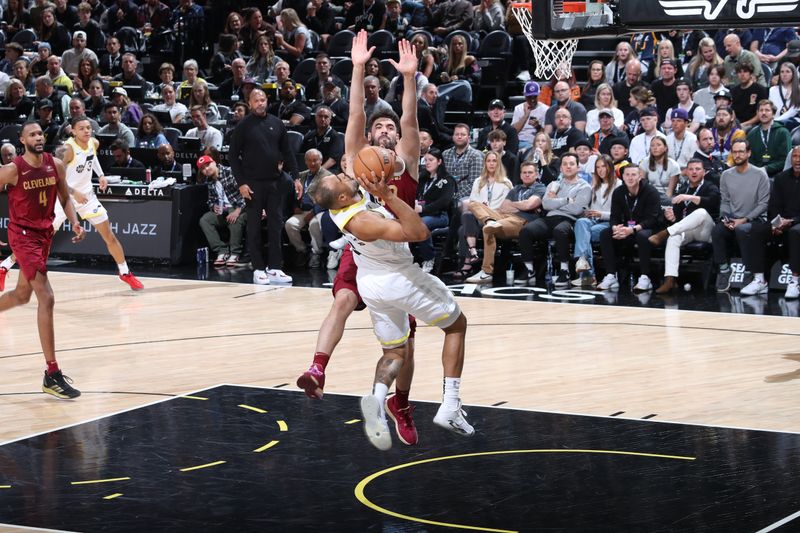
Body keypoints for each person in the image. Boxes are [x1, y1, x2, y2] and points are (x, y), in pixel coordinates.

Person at [296, 32, 428, 448]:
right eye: (380, 127)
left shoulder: (406, 163)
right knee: (342, 299)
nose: (387, 130)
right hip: (363, 253)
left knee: (404, 345)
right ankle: (317, 368)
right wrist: (355, 68)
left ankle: (400, 403)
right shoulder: (359, 159)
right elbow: (354, 116)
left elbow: (410, 119)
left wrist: (409, 79)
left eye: (391, 127)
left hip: (400, 260)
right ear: (372, 138)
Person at [0, 122, 85, 398]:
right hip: (22, 235)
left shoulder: (55, 165)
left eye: (40, 133)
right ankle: (52, 373)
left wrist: (74, 221)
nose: (38, 137)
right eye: (32, 134)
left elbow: (65, 198)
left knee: (22, 295)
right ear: (22, 140)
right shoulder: (13, 169)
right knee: (46, 297)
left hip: (43, 234)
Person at [230, 87, 300, 285]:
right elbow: (233, 157)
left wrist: (295, 177)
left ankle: (275, 268)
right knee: (253, 227)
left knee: (276, 225)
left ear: (266, 102)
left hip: (274, 183)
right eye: (256, 100)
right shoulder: (243, 126)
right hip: (252, 185)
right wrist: (241, 183)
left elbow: (287, 152)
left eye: (263, 100)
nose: (260, 103)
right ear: (250, 103)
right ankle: (258, 268)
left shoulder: (277, 123)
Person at [466, 160, 546, 284]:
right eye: (524, 173)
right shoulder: (516, 189)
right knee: (473, 204)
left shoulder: (540, 188)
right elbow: (504, 207)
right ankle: (489, 220)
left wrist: (516, 205)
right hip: (502, 216)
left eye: (530, 172)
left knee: (488, 229)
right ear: (520, 175)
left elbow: (530, 204)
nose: (527, 175)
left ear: (536, 175)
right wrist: (522, 205)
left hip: (521, 221)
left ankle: (486, 272)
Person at [519, 153, 592, 287]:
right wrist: (567, 200)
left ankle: (565, 270)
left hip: (570, 220)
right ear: (561, 168)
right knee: (526, 231)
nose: (568, 167)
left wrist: (556, 201)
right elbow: (546, 204)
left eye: (571, 164)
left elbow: (576, 210)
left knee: (560, 231)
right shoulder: (554, 184)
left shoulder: (585, 187)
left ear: (578, 167)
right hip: (550, 218)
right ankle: (529, 269)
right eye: (565, 164)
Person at [649, 158, 721, 294]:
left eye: (698, 169)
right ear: (686, 172)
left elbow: (713, 201)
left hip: (705, 231)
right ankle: (670, 280)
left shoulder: (710, 186)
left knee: (700, 212)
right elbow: (677, 218)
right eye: (691, 169)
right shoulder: (683, 188)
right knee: (673, 237)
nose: (694, 172)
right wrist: (671, 217)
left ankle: (664, 233)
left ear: (704, 172)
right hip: (687, 230)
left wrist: (689, 198)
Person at [712, 139, 772, 295]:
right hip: (733, 219)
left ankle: (749, 271)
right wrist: (726, 218)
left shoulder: (760, 174)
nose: (737, 155)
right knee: (717, 231)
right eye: (735, 152)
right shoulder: (726, 175)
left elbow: (763, 204)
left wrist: (744, 220)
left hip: (755, 220)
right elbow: (725, 201)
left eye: (741, 151)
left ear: (749, 153)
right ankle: (724, 270)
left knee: (742, 230)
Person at [596, 162, 661, 292]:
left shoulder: (651, 192)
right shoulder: (619, 192)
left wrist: (633, 229)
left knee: (643, 236)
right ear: (623, 177)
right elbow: (614, 216)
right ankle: (611, 275)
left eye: (633, 175)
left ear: (640, 176)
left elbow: (652, 219)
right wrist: (615, 227)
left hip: (647, 228)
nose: (630, 178)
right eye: (627, 175)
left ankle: (645, 277)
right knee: (605, 233)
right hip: (627, 228)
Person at [572, 155, 621, 287]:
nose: (600, 170)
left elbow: (620, 214)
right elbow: (593, 209)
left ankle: (588, 274)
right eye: (598, 167)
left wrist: (601, 214)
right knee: (581, 222)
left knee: (586, 233)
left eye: (603, 166)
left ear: (610, 167)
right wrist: (588, 212)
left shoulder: (619, 185)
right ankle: (583, 261)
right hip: (594, 220)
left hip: (609, 222)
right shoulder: (594, 187)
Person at [197, 154, 247, 268]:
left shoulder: (230, 172)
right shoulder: (209, 181)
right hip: (223, 210)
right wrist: (213, 206)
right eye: (203, 169)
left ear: (214, 162)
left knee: (234, 219)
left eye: (208, 165)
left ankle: (235, 253)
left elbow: (245, 193)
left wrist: (237, 210)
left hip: (241, 207)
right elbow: (210, 200)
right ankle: (222, 251)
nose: (206, 169)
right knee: (205, 220)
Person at [284, 149, 331, 268]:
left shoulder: (328, 176)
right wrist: (295, 206)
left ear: (321, 161)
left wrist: (314, 211)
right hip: (302, 210)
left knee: (314, 224)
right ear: (305, 161)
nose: (312, 163)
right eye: (309, 160)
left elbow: (327, 199)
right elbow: (292, 194)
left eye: (315, 160)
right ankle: (302, 251)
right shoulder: (301, 175)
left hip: (320, 211)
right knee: (290, 224)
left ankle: (317, 253)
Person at [769, 146, 800, 299]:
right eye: (795, 156)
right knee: (756, 230)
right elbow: (774, 206)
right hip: (783, 222)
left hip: (796, 223)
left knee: (796, 231)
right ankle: (759, 278)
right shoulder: (781, 178)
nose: (798, 159)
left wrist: (792, 221)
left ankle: (794, 281)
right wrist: (776, 224)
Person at [746, 99, 791, 178]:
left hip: (778, 175)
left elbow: (786, 160)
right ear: (757, 113)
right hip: (755, 175)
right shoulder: (751, 134)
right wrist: (757, 170)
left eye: (767, 110)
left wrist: (766, 168)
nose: (763, 113)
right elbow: (749, 159)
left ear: (773, 114)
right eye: (761, 110)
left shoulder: (783, 132)